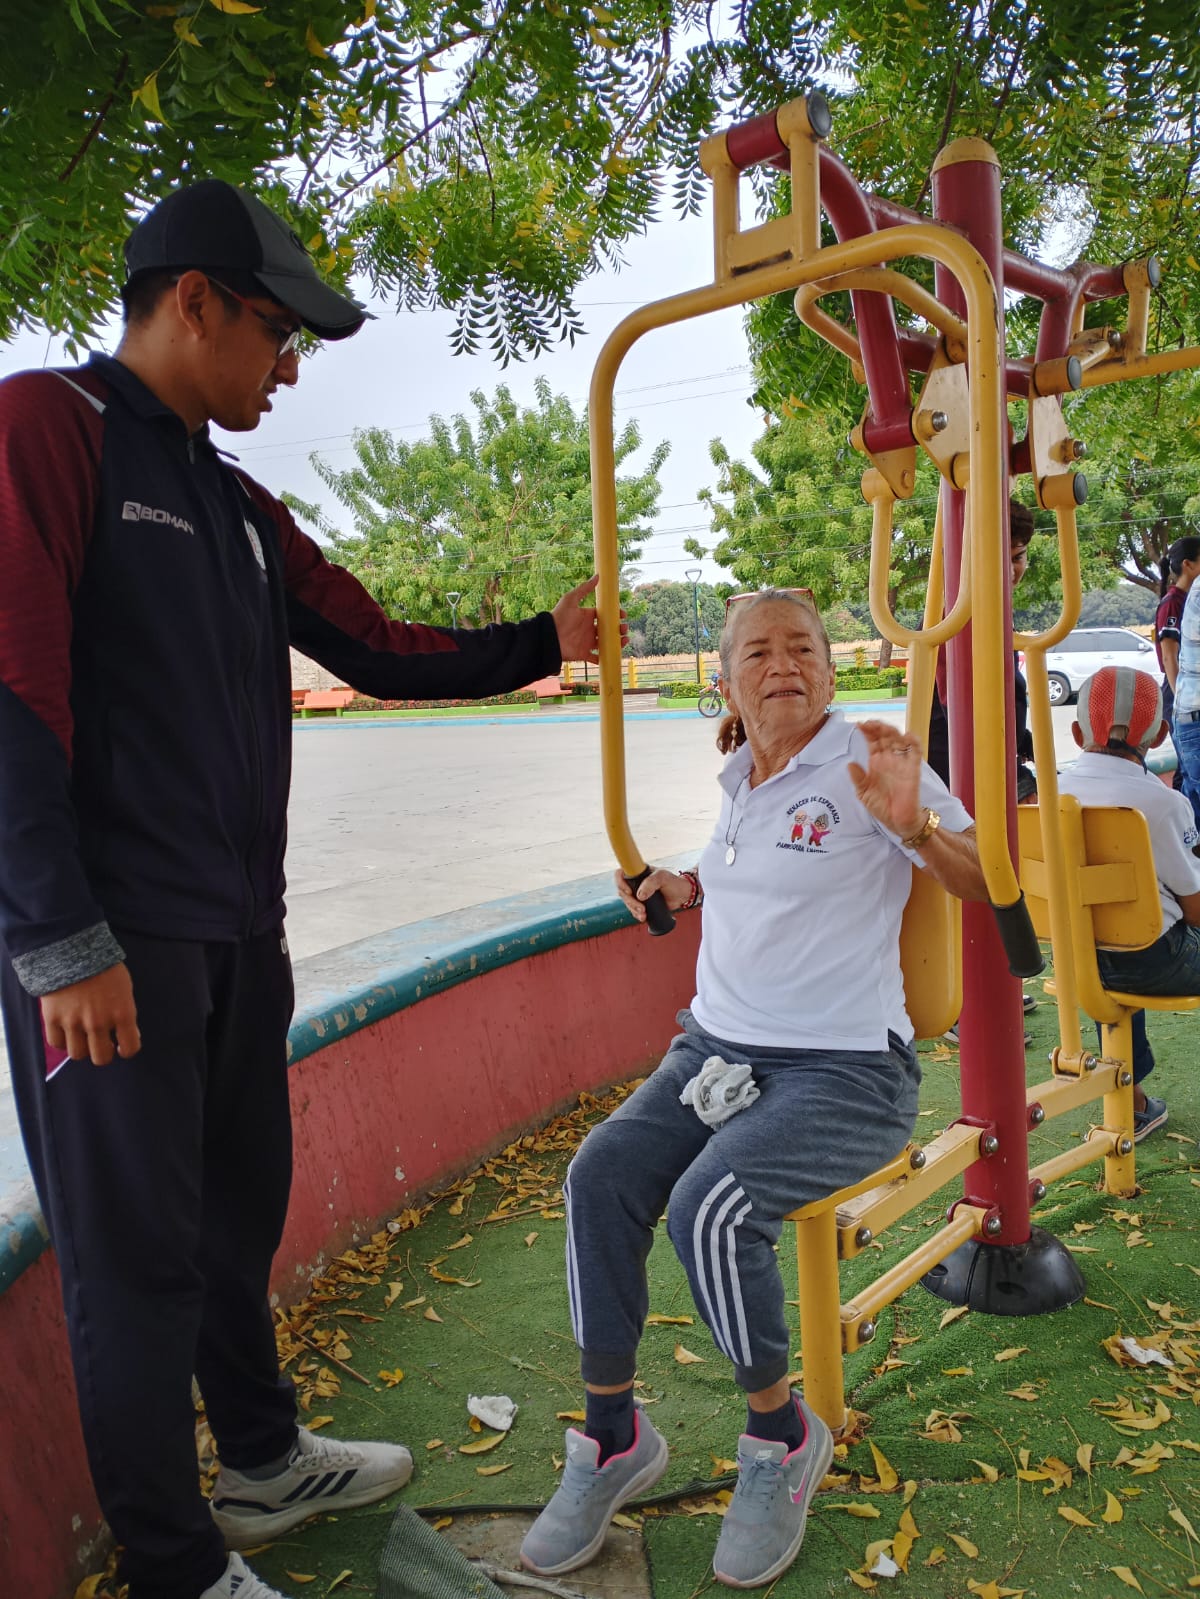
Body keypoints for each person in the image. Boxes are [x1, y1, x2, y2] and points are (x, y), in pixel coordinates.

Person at [0, 180, 615, 1599]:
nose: (288, 370)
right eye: (277, 334)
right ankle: (173, 1563)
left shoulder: (234, 503)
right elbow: (13, 699)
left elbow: (375, 645)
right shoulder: (49, 428)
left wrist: (545, 639)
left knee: (234, 1221)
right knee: (133, 1261)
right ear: (192, 301)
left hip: (238, 935)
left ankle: (265, 1461)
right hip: (112, 950)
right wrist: (58, 937)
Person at [519, 591, 987, 1590]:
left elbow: (983, 874)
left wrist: (915, 825)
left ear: (830, 666)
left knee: (713, 1205)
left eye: (803, 647)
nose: (784, 666)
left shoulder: (866, 761)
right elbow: (747, 873)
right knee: (599, 1177)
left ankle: (781, 1435)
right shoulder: (742, 774)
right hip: (716, 1052)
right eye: (759, 653)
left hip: (846, 1070)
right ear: (727, 681)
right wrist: (683, 887)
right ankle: (612, 1434)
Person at [1056, 665, 1200, 1141]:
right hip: (1154, 962)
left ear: (1077, 733)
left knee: (1118, 930)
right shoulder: (1162, 803)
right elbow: (1195, 910)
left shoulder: (1053, 795)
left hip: (1078, 958)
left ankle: (1133, 1104)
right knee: (1147, 932)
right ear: (1159, 734)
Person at [934, 500, 1038, 1044]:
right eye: (1007, 556)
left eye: (1020, 557)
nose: (1015, 569)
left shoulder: (990, 611)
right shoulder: (960, 613)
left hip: (986, 766)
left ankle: (991, 984)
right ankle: (964, 1004)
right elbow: (959, 704)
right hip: (957, 769)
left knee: (996, 869)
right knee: (972, 876)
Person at [1153, 537, 1200, 793]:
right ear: (1188, 565)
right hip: (1178, 693)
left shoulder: (1189, 597)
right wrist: (1182, 700)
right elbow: (1169, 656)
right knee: (1187, 769)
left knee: (1187, 771)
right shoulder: (1174, 601)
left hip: (1185, 693)